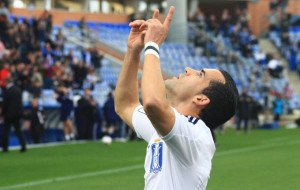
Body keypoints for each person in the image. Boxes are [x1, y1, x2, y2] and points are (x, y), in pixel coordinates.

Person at [115, 7, 238, 190]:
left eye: (200, 75)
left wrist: (152, 45)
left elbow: (152, 103)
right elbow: (125, 104)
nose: (189, 69)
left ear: (201, 99)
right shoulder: (167, 126)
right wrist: (134, 51)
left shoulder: (196, 135)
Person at [1, 77, 26, 152]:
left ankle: (5, 147)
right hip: (17, 114)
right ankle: (23, 146)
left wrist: (2, 114)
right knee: (18, 131)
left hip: (8, 114)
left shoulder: (7, 91)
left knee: (6, 131)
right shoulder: (18, 90)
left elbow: (5, 104)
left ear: (6, 82)